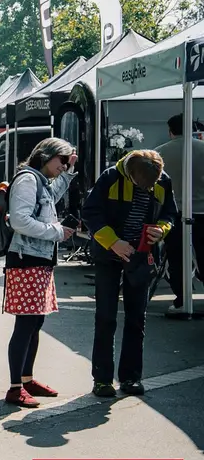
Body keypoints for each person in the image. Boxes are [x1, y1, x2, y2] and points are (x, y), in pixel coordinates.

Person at [82, 149, 177, 398]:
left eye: (152, 185)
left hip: (141, 256)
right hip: (109, 255)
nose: (148, 188)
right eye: (140, 185)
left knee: (137, 318)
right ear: (130, 173)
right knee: (106, 317)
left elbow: (169, 213)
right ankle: (102, 380)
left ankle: (131, 378)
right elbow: (90, 212)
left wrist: (162, 230)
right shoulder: (110, 177)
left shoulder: (162, 179)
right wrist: (113, 242)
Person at [1, 139, 77, 408]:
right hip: (26, 259)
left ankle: (26, 378)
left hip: (37, 259)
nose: (63, 166)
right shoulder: (28, 180)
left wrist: (67, 173)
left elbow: (50, 198)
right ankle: (15, 387)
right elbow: (20, 220)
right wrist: (57, 232)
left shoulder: (40, 179)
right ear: (46, 155)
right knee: (25, 324)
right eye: (62, 161)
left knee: (35, 323)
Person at [154, 113, 204, 315]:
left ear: (170, 131)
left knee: (177, 259)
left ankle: (182, 299)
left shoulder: (159, 153)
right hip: (202, 210)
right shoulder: (202, 149)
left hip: (174, 213)